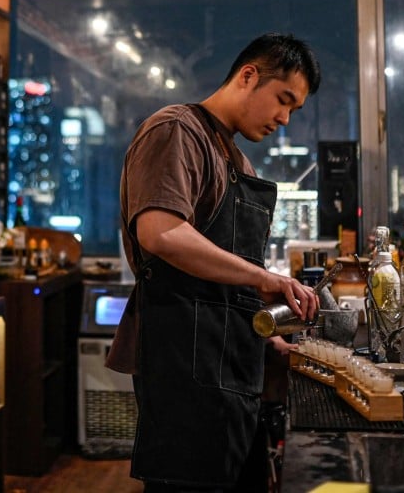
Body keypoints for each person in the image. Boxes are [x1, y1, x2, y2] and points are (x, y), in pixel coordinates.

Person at [106, 32, 322, 491]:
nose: (284, 119)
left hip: (229, 364)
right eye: (283, 100)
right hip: (183, 361)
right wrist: (265, 278)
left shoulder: (239, 161)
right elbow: (161, 232)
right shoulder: (177, 130)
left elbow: (228, 278)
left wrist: (267, 340)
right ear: (248, 76)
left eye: (295, 110)